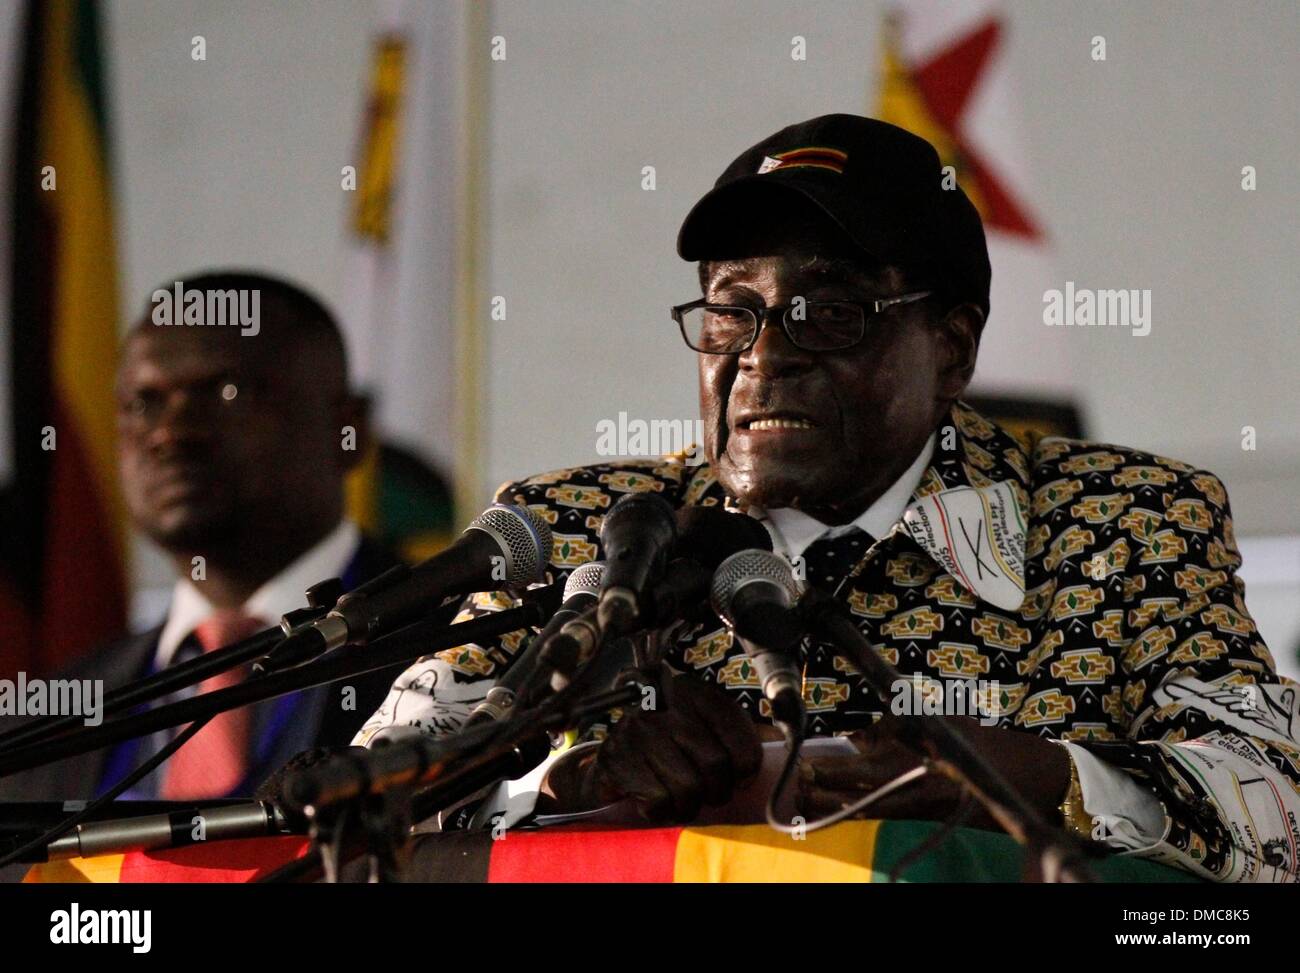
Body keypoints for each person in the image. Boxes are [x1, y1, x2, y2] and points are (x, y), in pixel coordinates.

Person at [357, 116, 1299, 883]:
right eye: (733, 309)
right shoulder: (577, 527)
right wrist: (573, 787)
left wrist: (1027, 778)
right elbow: (359, 811)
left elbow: (1275, 808)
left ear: (954, 350)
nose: (763, 356)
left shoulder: (1122, 521)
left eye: (830, 312)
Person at [0, 272, 405, 803]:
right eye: (144, 402)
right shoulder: (41, 722)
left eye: (227, 391)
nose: (171, 432)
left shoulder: (467, 649)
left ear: (348, 428)